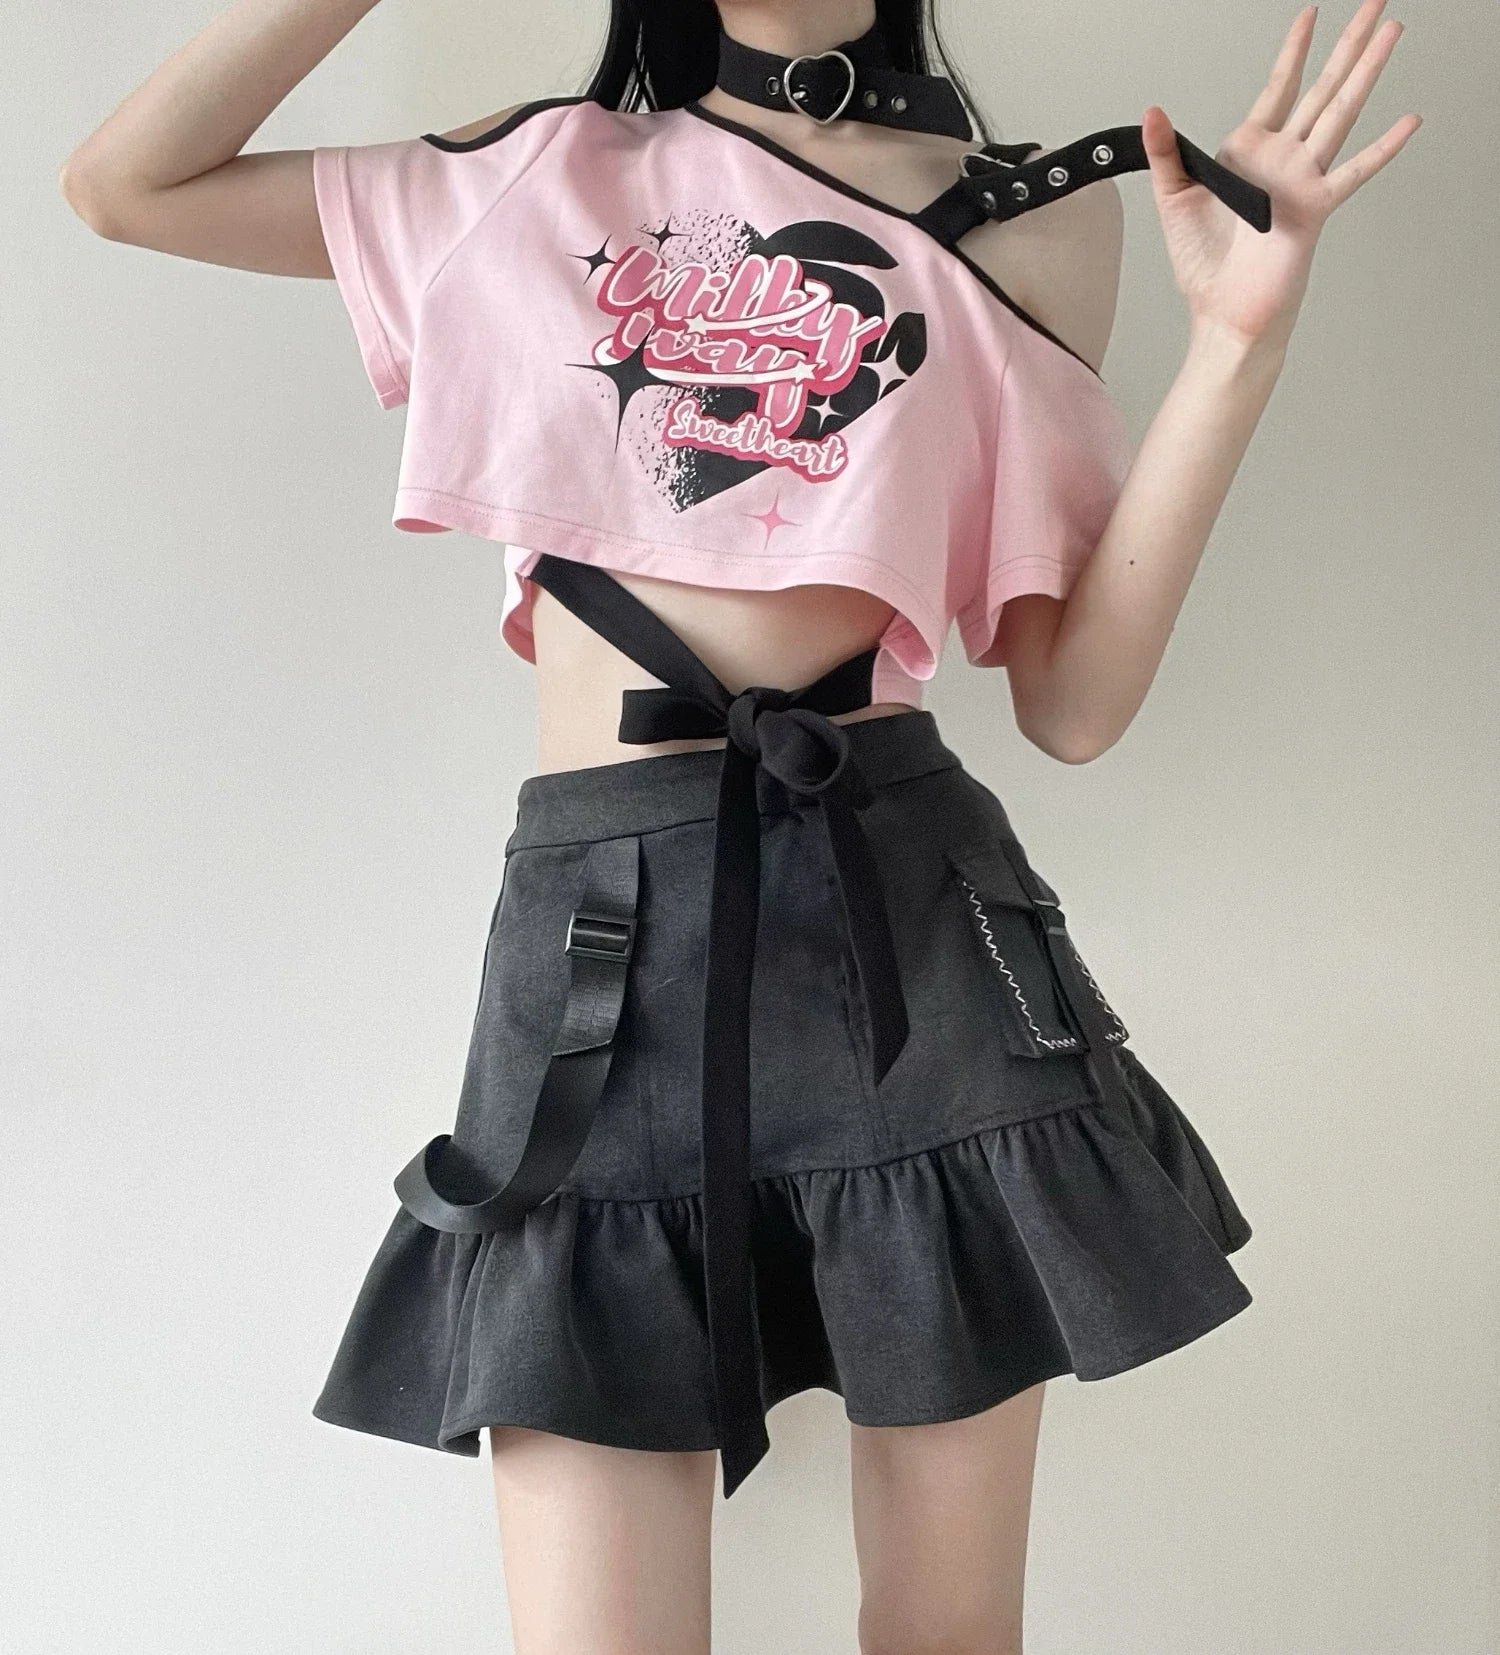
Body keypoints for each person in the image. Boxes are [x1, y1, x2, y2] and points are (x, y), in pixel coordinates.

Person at [60, 0, 1417, 1649]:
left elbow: (1071, 701)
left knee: (945, 1638)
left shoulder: (1033, 216)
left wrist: (1239, 342)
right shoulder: (534, 178)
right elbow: (126, 185)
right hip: (600, 954)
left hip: (906, 930)